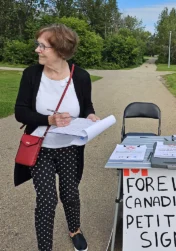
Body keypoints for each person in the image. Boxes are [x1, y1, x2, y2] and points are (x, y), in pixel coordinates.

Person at [14, 23, 100, 251]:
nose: (37, 50)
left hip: (70, 148)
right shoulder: (31, 75)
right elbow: (20, 112)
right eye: (38, 44)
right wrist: (49, 120)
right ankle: (45, 248)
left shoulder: (81, 77)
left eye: (43, 46)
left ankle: (75, 230)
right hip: (40, 147)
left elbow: (87, 105)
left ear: (60, 50)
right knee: (46, 201)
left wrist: (90, 115)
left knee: (70, 194)